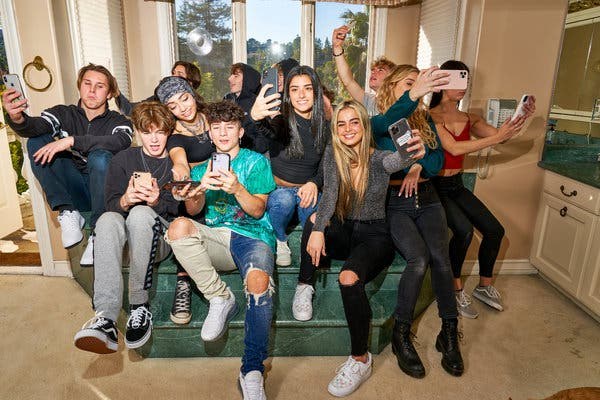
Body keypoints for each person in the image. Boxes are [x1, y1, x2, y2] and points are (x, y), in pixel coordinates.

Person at [298, 100, 424, 397]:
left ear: (364, 126)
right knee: (314, 221)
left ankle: (360, 359)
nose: (347, 129)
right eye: (341, 124)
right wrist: (318, 231)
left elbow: (398, 160)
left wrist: (412, 153)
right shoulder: (333, 155)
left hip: (374, 236)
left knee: (348, 278)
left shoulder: (379, 158)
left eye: (354, 122)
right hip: (344, 229)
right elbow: (329, 196)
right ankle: (305, 285)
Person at [165, 101, 276, 400]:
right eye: (217, 128)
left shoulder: (256, 162)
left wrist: (237, 188)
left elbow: (258, 211)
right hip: (216, 237)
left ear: (240, 132)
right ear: (210, 134)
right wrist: (196, 190)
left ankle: (251, 370)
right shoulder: (201, 168)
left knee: (259, 283)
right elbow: (194, 211)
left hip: (253, 236)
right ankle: (220, 296)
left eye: (230, 127)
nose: (223, 133)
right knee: (177, 227)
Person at [372, 64, 465, 378]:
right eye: (410, 83)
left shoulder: (424, 120)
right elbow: (384, 144)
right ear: (393, 86)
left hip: (427, 197)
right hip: (395, 201)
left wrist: (419, 162)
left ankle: (448, 332)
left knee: (441, 258)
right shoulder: (379, 121)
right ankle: (400, 335)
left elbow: (437, 163)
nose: (418, 88)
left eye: (419, 84)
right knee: (418, 259)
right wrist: (413, 95)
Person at [429, 60, 535, 318]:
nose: (463, 85)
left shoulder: (470, 118)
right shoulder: (428, 116)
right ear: (442, 81)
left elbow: (501, 137)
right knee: (464, 231)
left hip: (457, 185)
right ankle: (455, 289)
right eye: (458, 79)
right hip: (435, 187)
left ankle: (484, 287)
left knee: (495, 231)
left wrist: (520, 117)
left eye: (466, 80)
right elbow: (453, 148)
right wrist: (496, 138)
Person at [73, 101, 179, 354]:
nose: (154, 139)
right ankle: (106, 318)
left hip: (159, 240)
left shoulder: (176, 164)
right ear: (138, 133)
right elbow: (110, 204)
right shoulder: (124, 159)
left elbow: (180, 212)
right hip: (125, 241)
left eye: (160, 132)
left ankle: (139, 306)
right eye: (147, 132)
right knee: (107, 219)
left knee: (141, 214)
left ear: (168, 132)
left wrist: (155, 202)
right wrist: (125, 200)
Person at [1, 63, 133, 266]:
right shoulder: (63, 113)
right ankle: (68, 210)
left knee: (99, 156)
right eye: (87, 83)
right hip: (76, 189)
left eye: (100, 86)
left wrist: (72, 141)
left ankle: (99, 231)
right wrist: (17, 118)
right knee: (36, 141)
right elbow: (37, 126)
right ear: (79, 86)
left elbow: (120, 141)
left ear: (109, 93)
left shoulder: (119, 121)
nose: (92, 90)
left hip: (104, 193)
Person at [250, 65, 329, 268]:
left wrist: (314, 182)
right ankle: (280, 240)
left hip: (307, 191)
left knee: (313, 211)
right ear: (288, 93)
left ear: (316, 92)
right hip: (279, 192)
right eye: (294, 89)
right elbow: (271, 132)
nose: (301, 95)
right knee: (284, 200)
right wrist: (257, 119)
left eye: (307, 88)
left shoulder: (325, 125)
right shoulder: (281, 119)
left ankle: (306, 251)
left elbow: (327, 163)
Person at [155, 75, 212, 326]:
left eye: (185, 98)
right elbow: (179, 160)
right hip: (200, 191)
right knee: (187, 211)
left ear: (192, 93)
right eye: (173, 106)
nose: (182, 108)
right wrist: (182, 172)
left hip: (229, 183)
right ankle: (183, 282)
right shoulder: (175, 136)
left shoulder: (214, 116)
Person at [332, 25, 396, 116]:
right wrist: (337, 47)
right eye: (373, 70)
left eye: (380, 70)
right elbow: (348, 81)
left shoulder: (399, 104)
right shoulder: (368, 101)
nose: (373, 72)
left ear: (392, 78)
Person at [116, 60, 202, 116]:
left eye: (180, 74)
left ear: (190, 82)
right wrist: (116, 92)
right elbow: (129, 109)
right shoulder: (159, 100)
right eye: (173, 73)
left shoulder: (203, 112)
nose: (173, 77)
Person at [224, 63, 270, 153]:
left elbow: (263, 140)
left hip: (251, 155)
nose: (229, 79)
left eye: (236, 76)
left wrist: (246, 154)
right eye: (231, 75)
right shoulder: (227, 100)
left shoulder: (258, 103)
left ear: (247, 80)